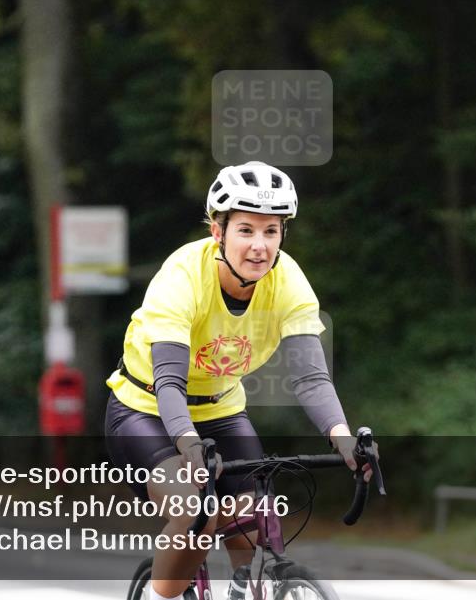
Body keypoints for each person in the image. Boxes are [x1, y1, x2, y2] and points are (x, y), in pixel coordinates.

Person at [104, 161, 371, 600]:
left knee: (253, 520)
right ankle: (158, 595)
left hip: (221, 409)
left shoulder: (288, 281)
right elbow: (169, 381)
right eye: (246, 230)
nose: (259, 246)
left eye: (271, 231)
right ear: (217, 231)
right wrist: (187, 443)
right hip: (146, 410)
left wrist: (343, 439)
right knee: (197, 512)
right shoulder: (183, 275)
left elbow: (310, 378)